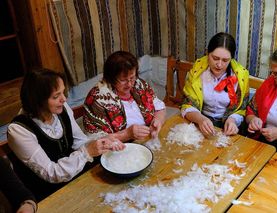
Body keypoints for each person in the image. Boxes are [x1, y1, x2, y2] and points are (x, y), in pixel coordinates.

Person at [7, 69, 125, 201]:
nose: (64, 99)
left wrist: (102, 140)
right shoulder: (19, 130)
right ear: (37, 101)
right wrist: (87, 152)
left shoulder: (61, 109)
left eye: (63, 92)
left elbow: (79, 141)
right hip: (46, 193)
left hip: (72, 176)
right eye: (56, 96)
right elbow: (51, 173)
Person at [83, 51, 166, 141]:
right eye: (123, 80)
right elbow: (95, 141)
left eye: (132, 77)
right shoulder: (97, 99)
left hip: (146, 140)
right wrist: (127, 134)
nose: (130, 84)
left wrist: (158, 121)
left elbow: (159, 108)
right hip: (118, 149)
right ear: (111, 78)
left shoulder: (139, 84)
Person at [181, 32, 249, 136]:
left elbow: (241, 109)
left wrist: (232, 121)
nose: (219, 64)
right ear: (208, 54)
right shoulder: (197, 71)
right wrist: (200, 119)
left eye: (225, 60)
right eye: (215, 58)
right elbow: (187, 104)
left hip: (226, 126)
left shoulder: (241, 76)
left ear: (231, 59)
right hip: (200, 120)